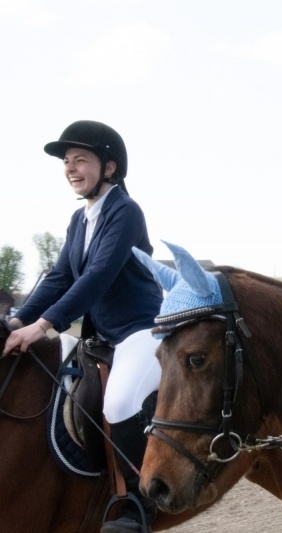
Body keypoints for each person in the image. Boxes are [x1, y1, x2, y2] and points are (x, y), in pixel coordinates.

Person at [3, 120, 163, 533]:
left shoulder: (125, 211)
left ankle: (138, 506)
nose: (71, 169)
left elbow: (97, 276)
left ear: (108, 168)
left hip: (138, 330)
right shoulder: (80, 218)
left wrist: (42, 326)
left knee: (120, 402)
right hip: (99, 335)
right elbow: (59, 278)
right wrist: (14, 322)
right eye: (67, 162)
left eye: (81, 160)